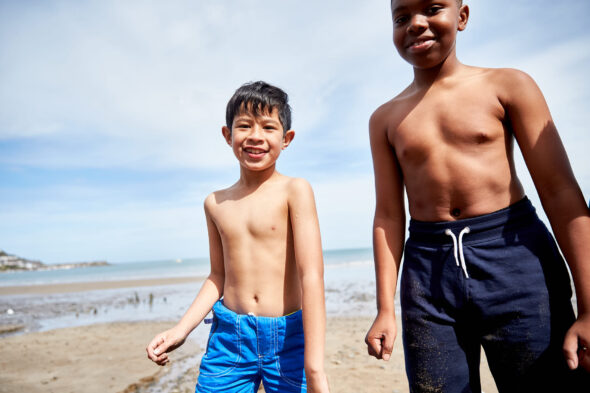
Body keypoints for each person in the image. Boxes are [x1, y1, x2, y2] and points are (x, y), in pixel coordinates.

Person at [364, 0, 590, 392]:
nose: (416, 24)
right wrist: (386, 308)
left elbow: (560, 191)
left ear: (462, 17)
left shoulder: (507, 85)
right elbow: (388, 214)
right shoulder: (386, 118)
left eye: (433, 9)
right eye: (401, 18)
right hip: (427, 273)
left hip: (515, 259)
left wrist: (589, 305)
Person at [146, 81, 330, 393]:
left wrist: (314, 369)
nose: (255, 136)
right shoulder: (215, 203)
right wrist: (181, 330)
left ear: (286, 139)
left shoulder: (295, 191)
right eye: (244, 126)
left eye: (268, 127)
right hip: (230, 338)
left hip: (288, 338)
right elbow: (218, 276)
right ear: (228, 135)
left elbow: (311, 275)